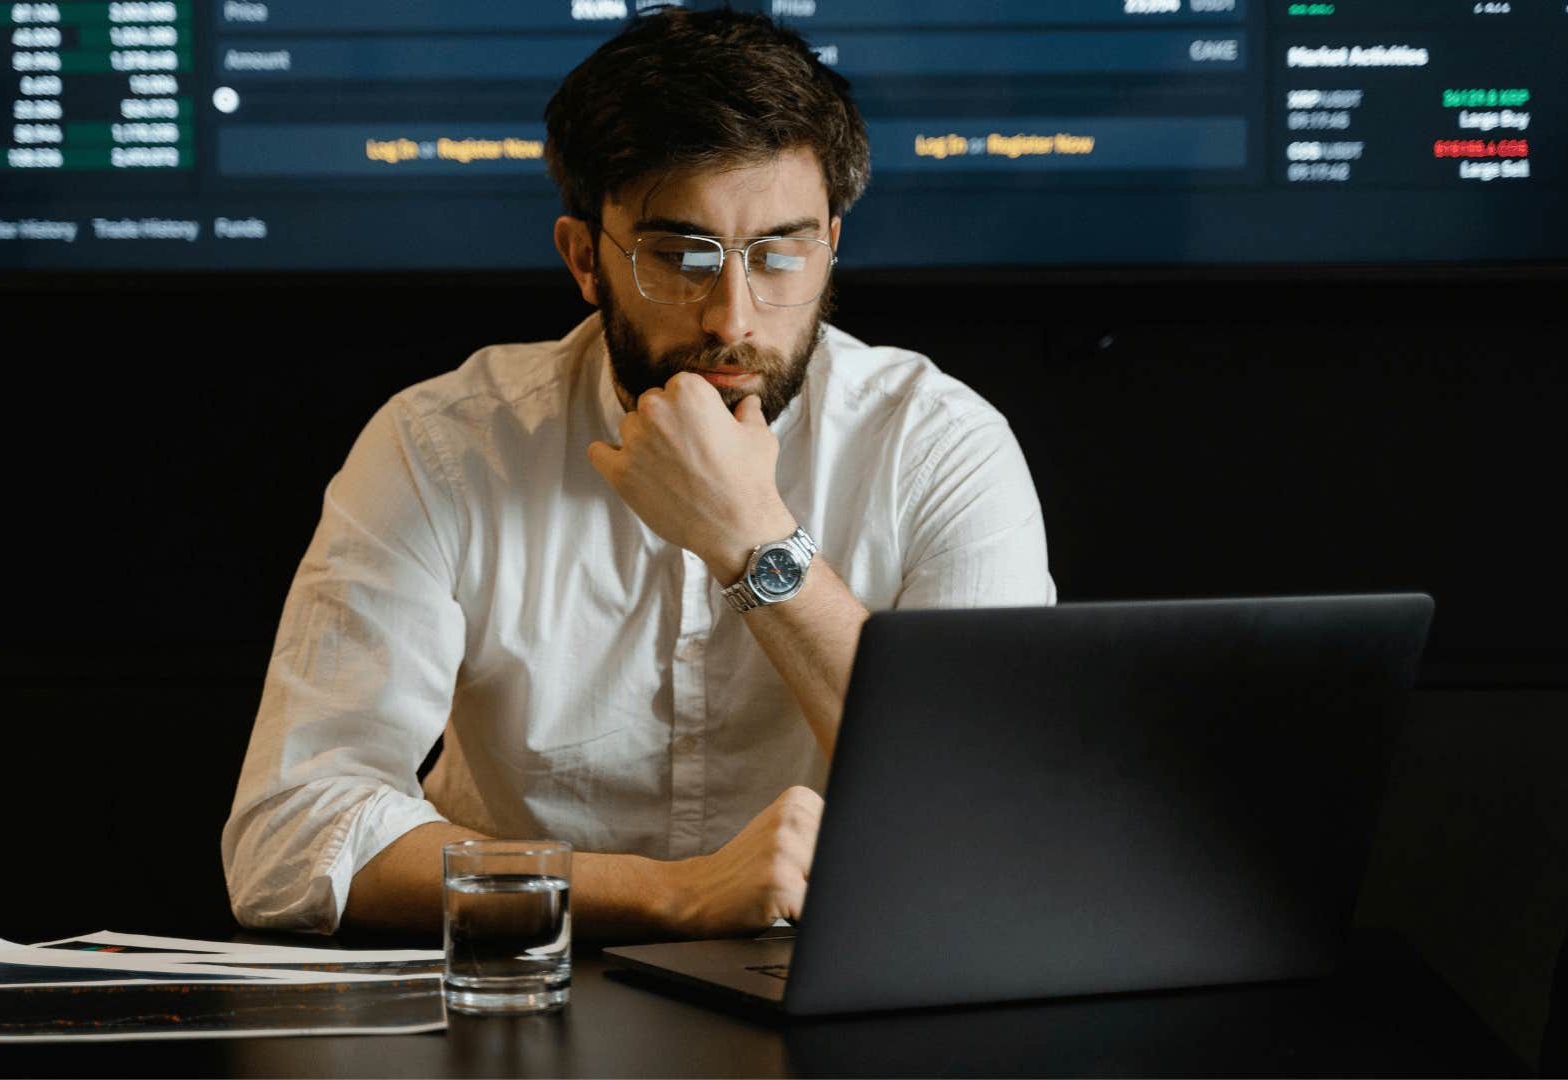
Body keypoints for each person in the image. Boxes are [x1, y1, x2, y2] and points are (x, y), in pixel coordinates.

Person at [222, 9, 1055, 940]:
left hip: (841, 995)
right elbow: (290, 839)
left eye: (781, 253)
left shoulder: (941, 445)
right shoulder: (443, 444)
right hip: (520, 999)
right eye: (679, 256)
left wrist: (755, 546)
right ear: (585, 258)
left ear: (832, 245)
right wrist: (675, 894)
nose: (731, 316)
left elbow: (996, 815)